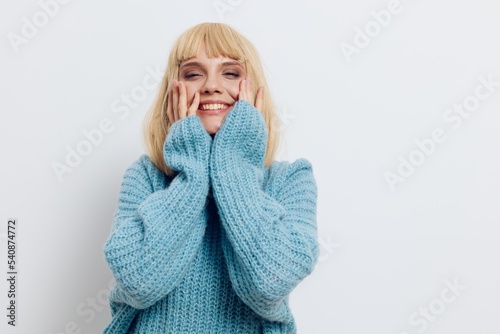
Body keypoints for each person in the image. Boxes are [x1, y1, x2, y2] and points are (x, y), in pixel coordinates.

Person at [102, 22, 319, 334]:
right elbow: (138, 282)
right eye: (193, 73)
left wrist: (234, 161)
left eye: (230, 73)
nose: (211, 86)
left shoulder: (291, 180)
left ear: (255, 89)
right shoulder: (145, 177)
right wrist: (193, 168)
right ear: (171, 92)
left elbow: (271, 282)